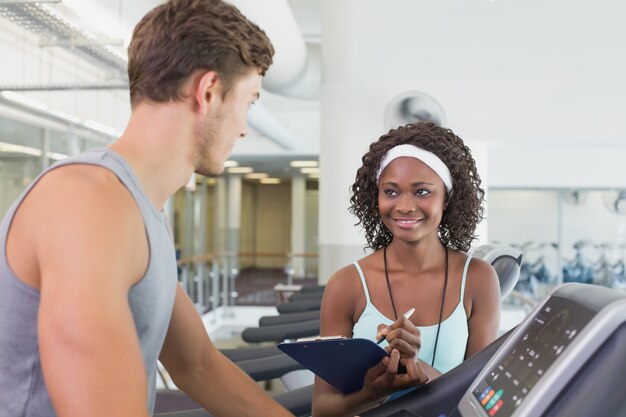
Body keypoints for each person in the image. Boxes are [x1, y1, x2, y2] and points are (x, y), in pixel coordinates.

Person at [0, 1, 295, 416]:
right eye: (248, 101)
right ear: (208, 91)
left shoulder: (139, 208)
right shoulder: (88, 204)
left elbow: (197, 365)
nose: (245, 126)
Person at [312, 122, 501, 417]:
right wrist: (372, 393)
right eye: (391, 191)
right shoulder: (346, 284)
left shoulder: (478, 279)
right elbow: (323, 409)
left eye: (422, 191)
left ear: (447, 198)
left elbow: (482, 403)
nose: (404, 206)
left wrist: (423, 372)